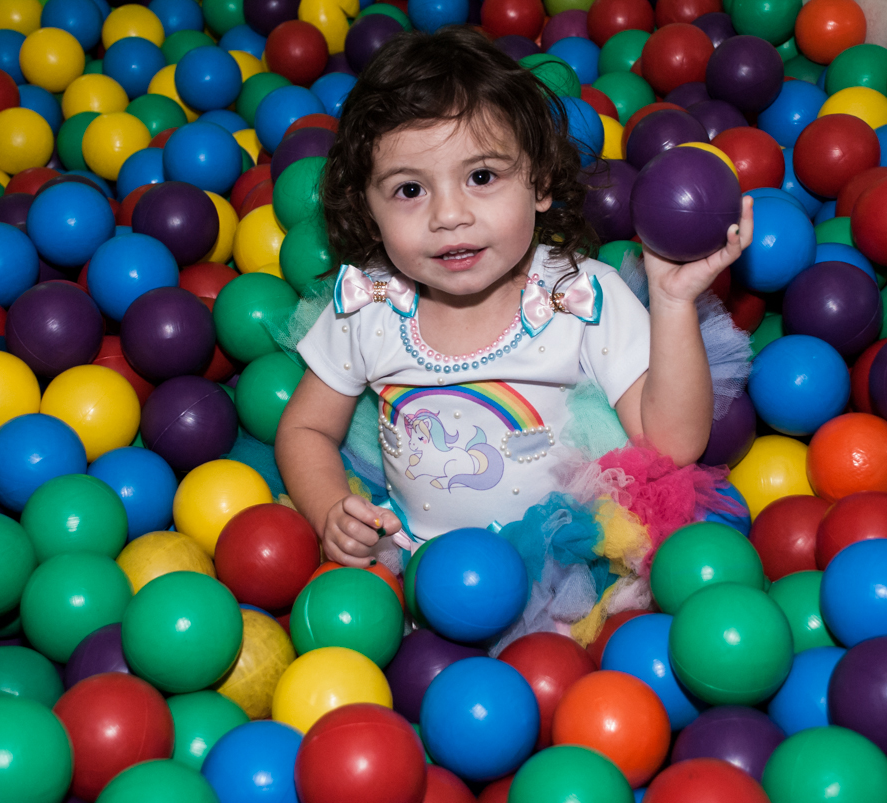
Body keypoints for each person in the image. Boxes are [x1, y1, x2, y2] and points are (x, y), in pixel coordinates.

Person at [275, 26, 753, 646]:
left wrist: (672, 301)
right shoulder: (370, 306)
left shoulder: (579, 297)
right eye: (410, 190)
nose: (449, 215)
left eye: (481, 177)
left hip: (558, 580)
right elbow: (306, 429)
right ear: (369, 208)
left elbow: (673, 443)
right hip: (407, 566)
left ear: (541, 183)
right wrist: (330, 510)